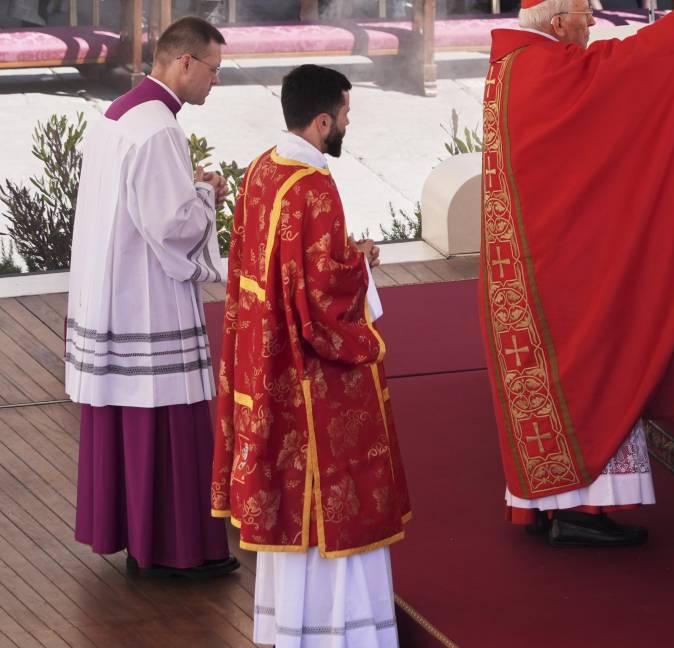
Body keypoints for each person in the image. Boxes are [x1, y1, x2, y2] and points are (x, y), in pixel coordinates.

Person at [479, 0, 674, 548]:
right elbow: (624, 73)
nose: (592, 22)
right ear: (557, 24)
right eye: (584, 13)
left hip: (534, 260)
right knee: (596, 365)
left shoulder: (513, 68)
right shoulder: (547, 71)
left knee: (557, 382)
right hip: (559, 270)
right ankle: (579, 512)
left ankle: (542, 506)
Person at [211, 64, 411, 648]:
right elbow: (323, 300)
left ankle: (288, 626)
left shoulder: (261, 170)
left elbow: (273, 270)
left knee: (287, 501)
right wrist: (362, 263)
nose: (348, 124)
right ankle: (342, 631)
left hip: (266, 362)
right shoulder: (315, 188)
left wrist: (346, 257)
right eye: (345, 115)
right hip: (309, 378)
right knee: (332, 497)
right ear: (322, 122)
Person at [67, 16, 238, 577]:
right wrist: (207, 194)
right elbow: (172, 227)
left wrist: (189, 191)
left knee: (128, 418)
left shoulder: (120, 113)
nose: (215, 81)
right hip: (147, 298)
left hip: (111, 290)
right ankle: (178, 551)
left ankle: (141, 542)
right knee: (170, 421)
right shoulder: (161, 128)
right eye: (213, 70)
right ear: (184, 62)